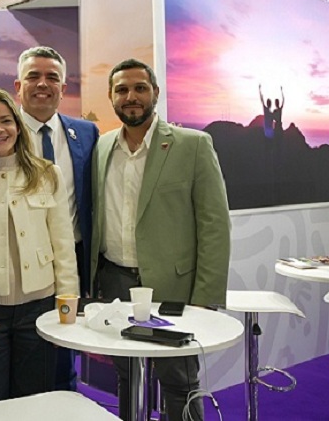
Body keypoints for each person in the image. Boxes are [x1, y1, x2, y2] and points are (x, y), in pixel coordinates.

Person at [90, 58, 231, 421]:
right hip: (116, 283)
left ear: (155, 92)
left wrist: (206, 298)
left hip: (173, 289)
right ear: (111, 96)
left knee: (179, 381)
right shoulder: (102, 148)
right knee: (127, 376)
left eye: (140, 88)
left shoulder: (193, 145)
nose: (131, 97)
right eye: (122, 90)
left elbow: (214, 225)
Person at [0, 89, 79, 402]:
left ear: (17, 125)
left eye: (5, 121)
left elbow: (63, 247)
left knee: (34, 401)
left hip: (40, 308)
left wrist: (66, 310)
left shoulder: (46, 174)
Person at [14, 46, 98, 391]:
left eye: (52, 78)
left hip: (70, 260)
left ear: (64, 88)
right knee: (21, 363)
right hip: (19, 265)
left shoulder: (86, 133)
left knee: (64, 354)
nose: (42, 84)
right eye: (33, 76)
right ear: (18, 86)